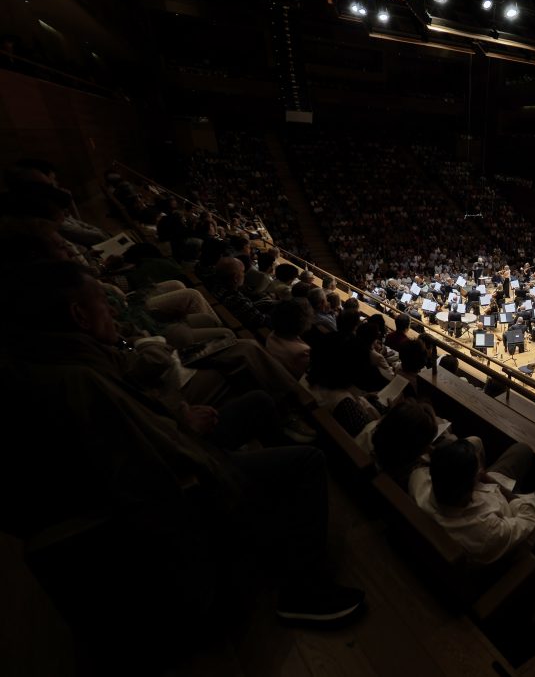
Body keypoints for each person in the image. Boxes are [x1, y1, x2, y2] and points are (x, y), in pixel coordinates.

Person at [0, 260, 364, 635]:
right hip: (184, 480)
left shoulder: (64, 357)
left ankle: (273, 505)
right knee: (308, 461)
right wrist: (189, 436)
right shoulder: (79, 379)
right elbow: (149, 468)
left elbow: (137, 422)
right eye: (103, 305)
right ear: (79, 314)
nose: (111, 311)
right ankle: (302, 592)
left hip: (172, 443)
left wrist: (177, 417)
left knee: (259, 401)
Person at [409, 440, 535, 564]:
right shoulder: (488, 532)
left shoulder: (418, 481)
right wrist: (497, 486)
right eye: (477, 471)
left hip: (486, 492)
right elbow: (530, 518)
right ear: (471, 483)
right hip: (517, 516)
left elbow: (427, 466)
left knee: (522, 449)